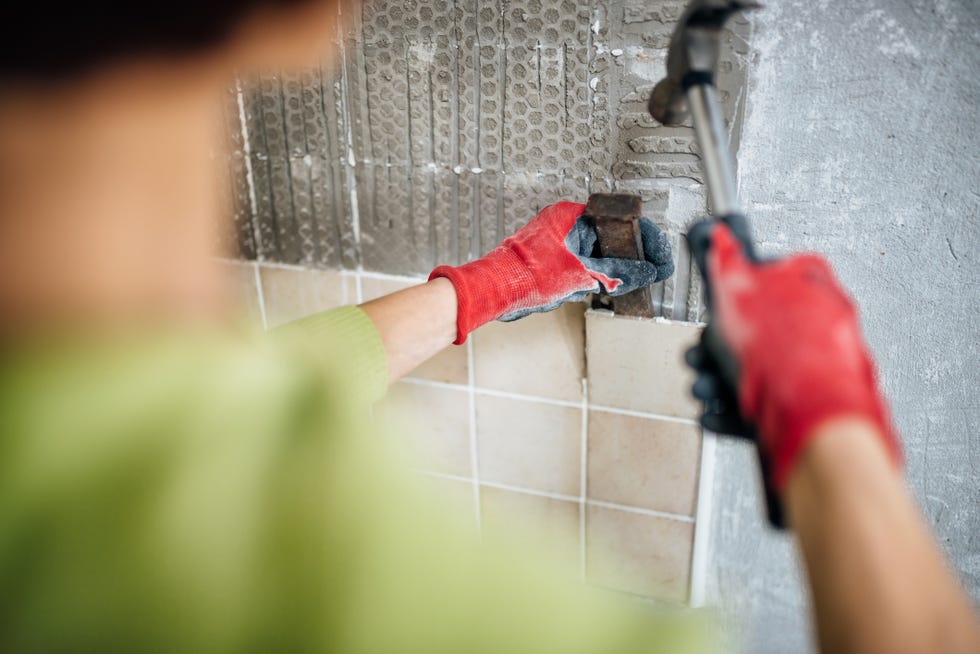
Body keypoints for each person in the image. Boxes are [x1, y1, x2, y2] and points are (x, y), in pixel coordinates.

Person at [0, 2, 976, 653]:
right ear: (303, 19)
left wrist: (494, 284)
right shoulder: (410, 613)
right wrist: (830, 426)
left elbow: (271, 375)